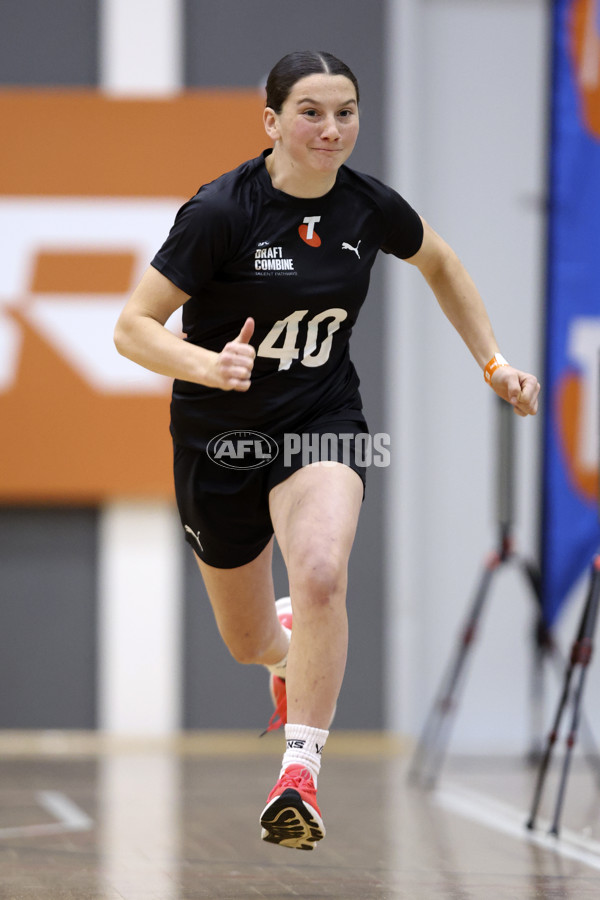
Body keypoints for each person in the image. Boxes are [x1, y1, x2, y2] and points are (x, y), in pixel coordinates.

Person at [114, 50, 540, 851]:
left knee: (319, 568)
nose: (331, 128)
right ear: (271, 122)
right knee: (248, 643)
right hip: (220, 439)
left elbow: (440, 262)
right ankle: (282, 653)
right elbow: (131, 327)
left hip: (323, 418)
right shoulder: (219, 213)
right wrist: (208, 364)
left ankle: (299, 773)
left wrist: (493, 360)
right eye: (311, 111)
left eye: (345, 111)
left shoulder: (369, 209)